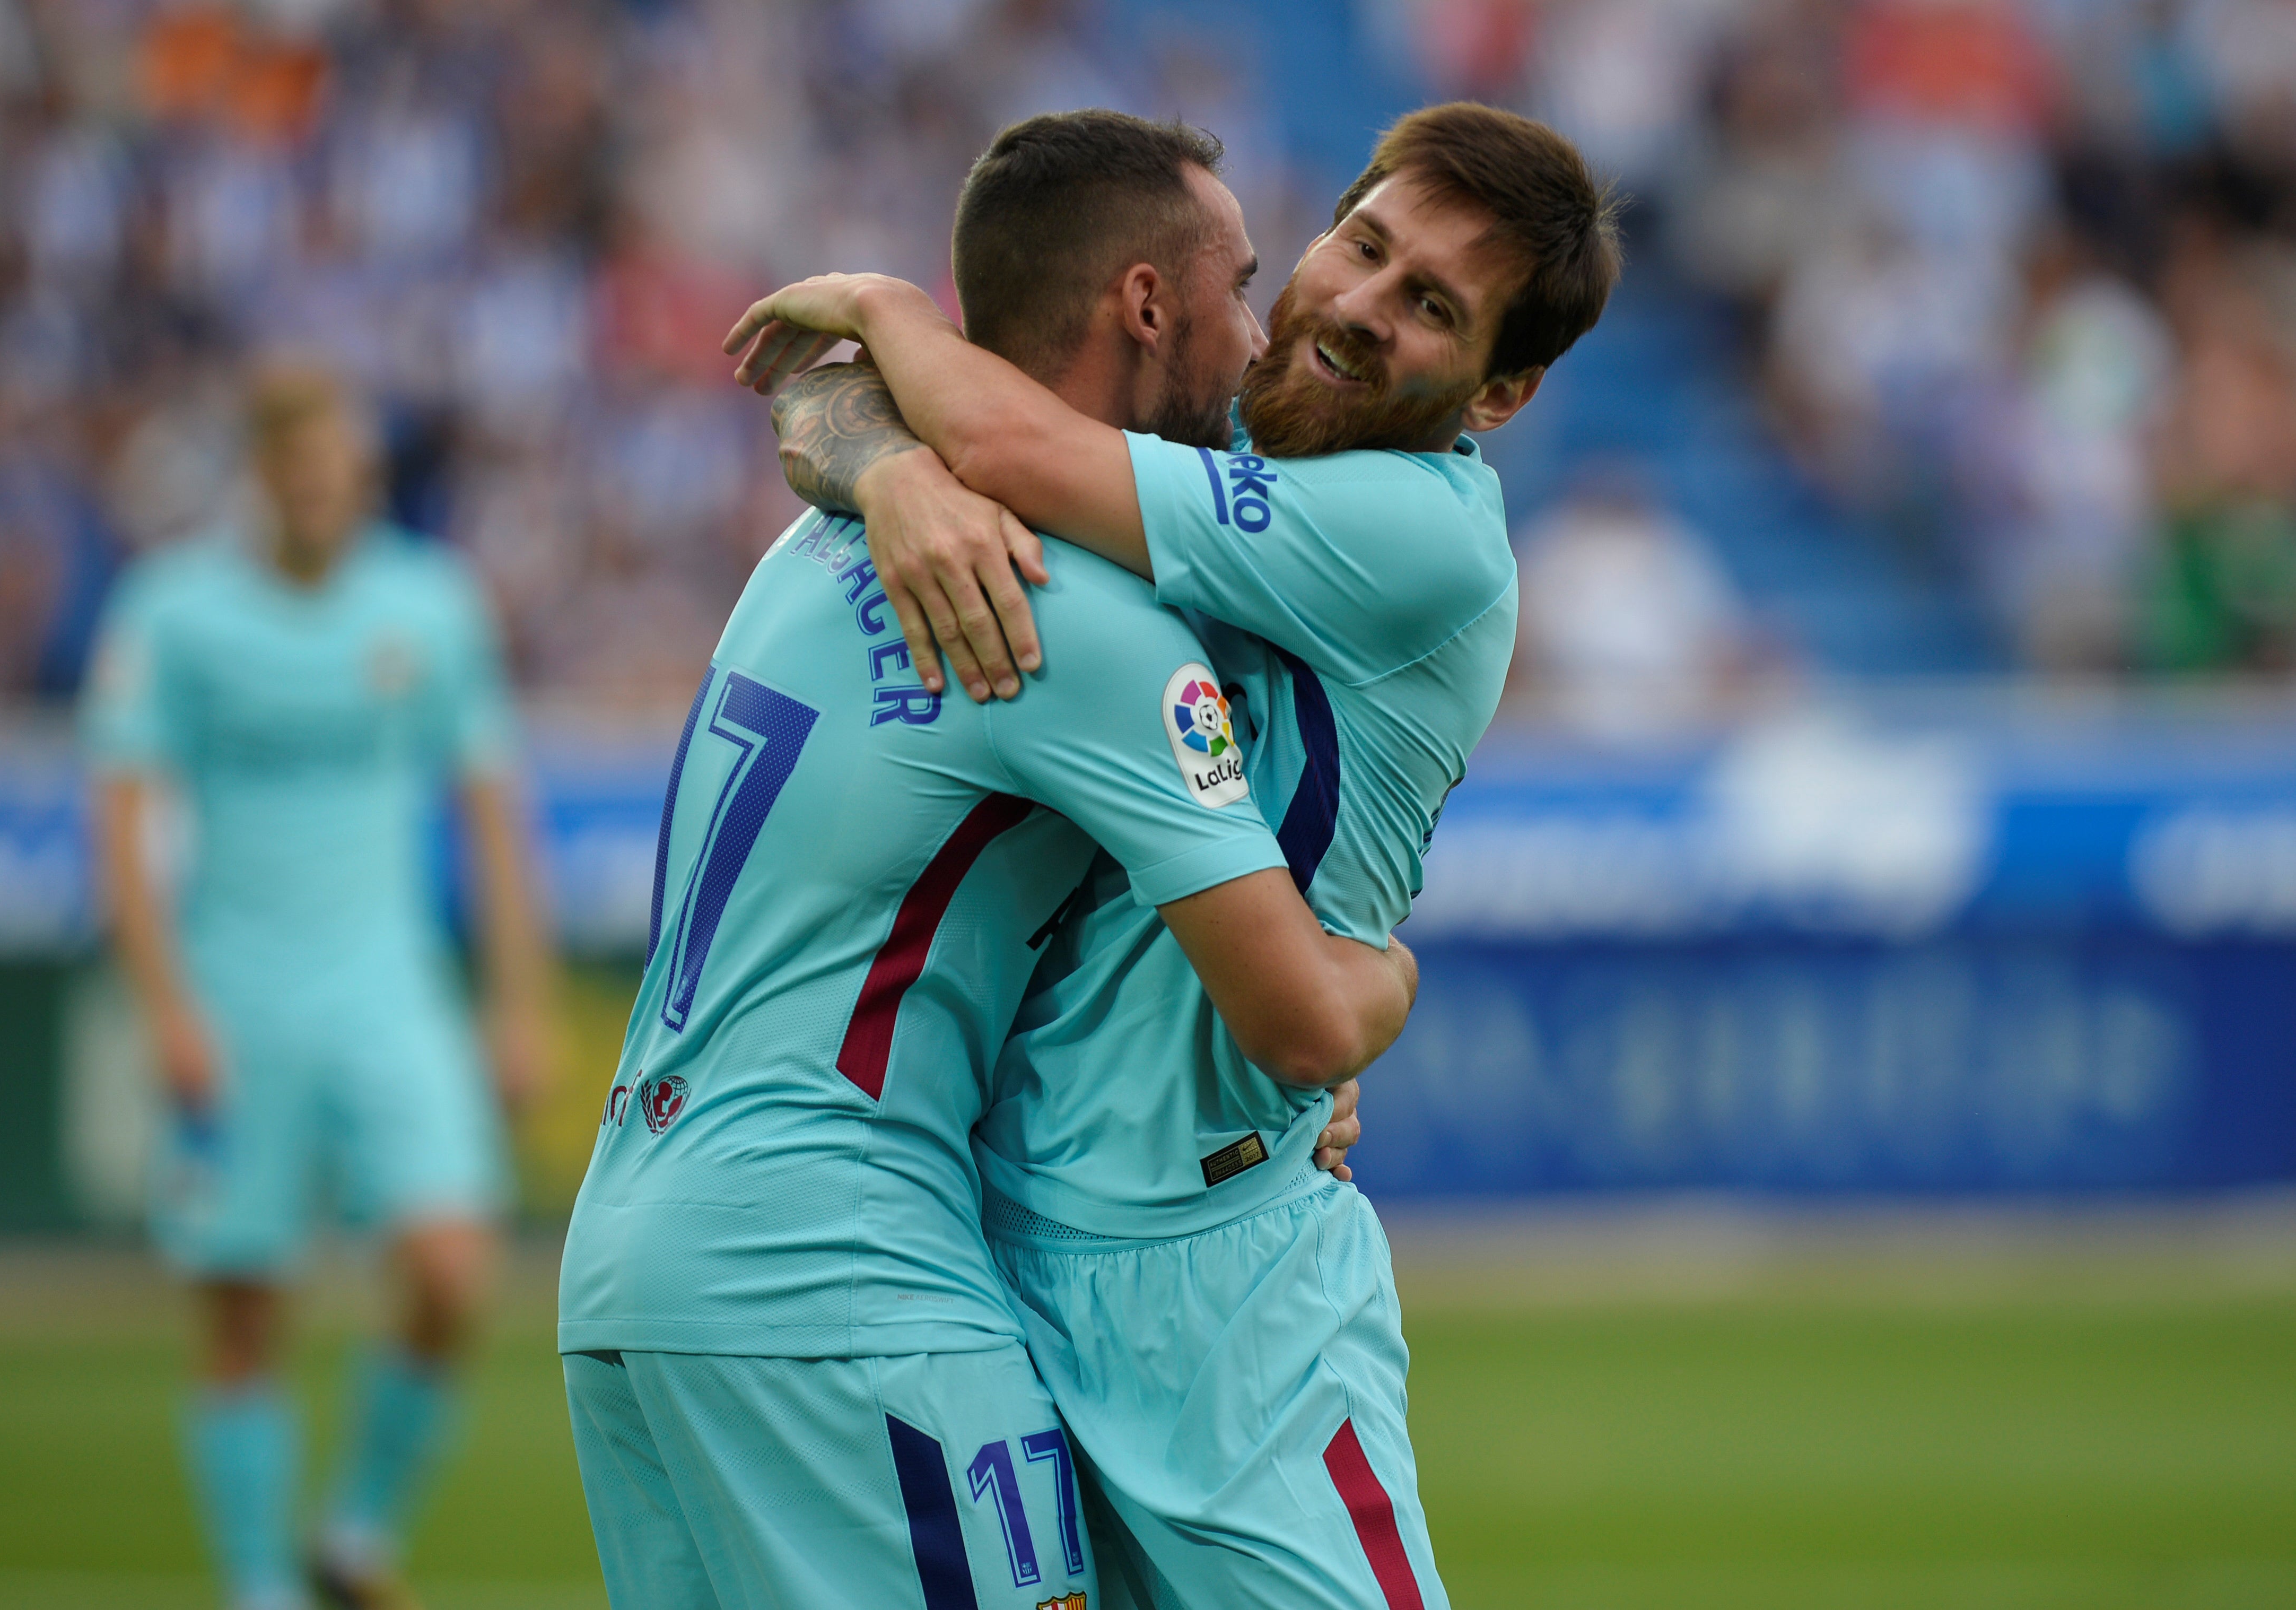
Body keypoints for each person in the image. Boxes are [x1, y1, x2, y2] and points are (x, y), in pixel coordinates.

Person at [730, 100, 1619, 1607]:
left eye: (1431, 309)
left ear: (1503, 391)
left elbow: (981, 424)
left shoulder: (1420, 535)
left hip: (1223, 1280)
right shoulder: (1174, 458)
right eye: (1362, 246)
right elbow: (825, 412)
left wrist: (885, 305)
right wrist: (888, 474)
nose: (1352, 308)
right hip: (993, 1237)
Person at [555, 112, 1411, 1610]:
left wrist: (875, 452)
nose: (1261, 326)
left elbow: (828, 421)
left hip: (632, 1258)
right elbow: (1293, 1019)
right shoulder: (1059, 612)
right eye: (1242, 284)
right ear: (1147, 303)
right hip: (840, 1269)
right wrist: (1378, 983)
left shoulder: (830, 534)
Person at [83, 361, 555, 1610]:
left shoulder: (431, 605)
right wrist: (168, 1006)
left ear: (363, 477)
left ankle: (351, 1533)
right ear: (262, 475)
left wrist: (518, 1005)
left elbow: (492, 813)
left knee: (456, 1267)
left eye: (344, 473)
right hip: (236, 996)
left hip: (389, 988)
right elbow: (122, 823)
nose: (323, 495)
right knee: (245, 1306)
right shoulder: (176, 613)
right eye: (299, 473)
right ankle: (259, 1585)